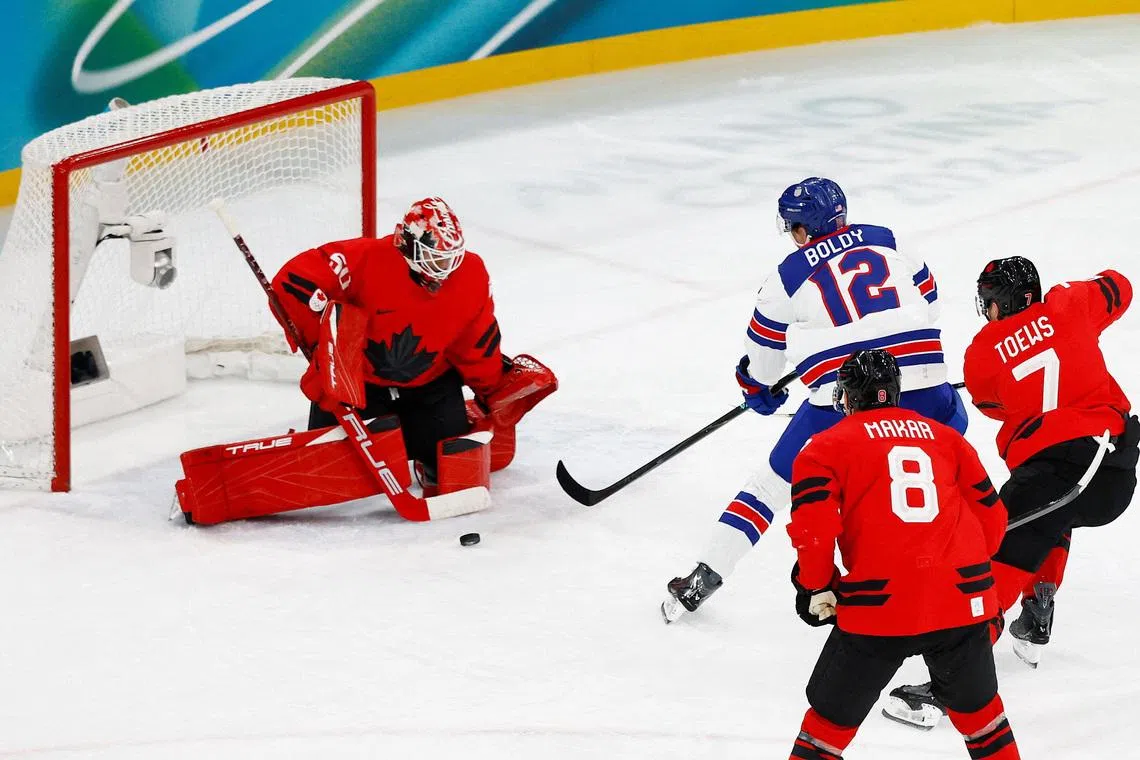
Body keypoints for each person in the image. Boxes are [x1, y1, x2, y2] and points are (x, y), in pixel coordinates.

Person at [662, 177, 966, 622]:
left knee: (770, 485)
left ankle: (702, 579)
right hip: (927, 390)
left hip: (841, 400)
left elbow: (763, 365)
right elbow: (930, 305)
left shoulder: (785, 276)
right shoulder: (890, 241)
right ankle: (957, 559)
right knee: (948, 463)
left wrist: (757, 388)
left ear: (803, 230)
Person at [884, 257, 1138, 728]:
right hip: (1115, 469)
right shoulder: (1069, 305)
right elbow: (1119, 287)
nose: (988, 311)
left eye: (991, 301)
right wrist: (1072, 308)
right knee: (1048, 518)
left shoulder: (983, 349)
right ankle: (1038, 605)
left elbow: (990, 404)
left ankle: (947, 688)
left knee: (989, 554)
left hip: (1058, 465)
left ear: (1003, 301)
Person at [785, 349, 1020, 760]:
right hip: (960, 604)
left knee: (825, 730)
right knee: (985, 725)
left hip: (878, 610)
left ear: (847, 397)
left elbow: (815, 533)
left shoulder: (822, 449)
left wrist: (815, 587)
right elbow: (994, 523)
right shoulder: (948, 439)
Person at [270, 196, 556, 495]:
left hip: (429, 386)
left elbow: (476, 338)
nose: (444, 268)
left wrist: (490, 387)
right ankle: (339, 436)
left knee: (448, 469)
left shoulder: (470, 273)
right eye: (436, 257)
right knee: (325, 468)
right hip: (360, 385)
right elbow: (295, 280)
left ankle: (420, 443)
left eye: (450, 258)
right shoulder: (367, 258)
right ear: (406, 243)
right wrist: (320, 335)